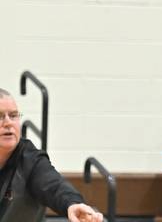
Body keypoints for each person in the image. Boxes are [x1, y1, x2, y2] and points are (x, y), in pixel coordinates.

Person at [0, 88, 103, 222]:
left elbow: (54, 185)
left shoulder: (31, 160)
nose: (8, 122)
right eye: (0, 116)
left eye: (13, 115)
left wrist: (72, 203)